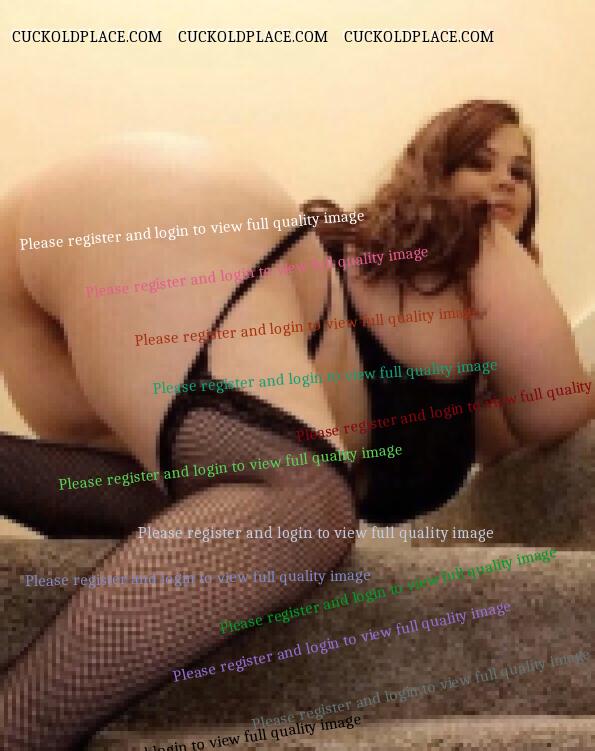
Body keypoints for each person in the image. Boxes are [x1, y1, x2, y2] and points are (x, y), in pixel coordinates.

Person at [0, 102, 591, 748]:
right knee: (304, 504)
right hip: (158, 209)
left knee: (195, 509)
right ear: (431, 172)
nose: (504, 181)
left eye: (520, 172)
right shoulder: (472, 238)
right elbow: (554, 407)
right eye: (479, 162)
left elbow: (502, 436)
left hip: (45, 252)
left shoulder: (385, 280)